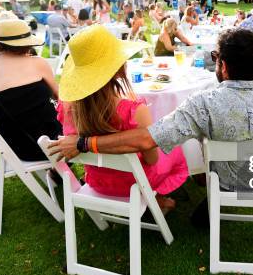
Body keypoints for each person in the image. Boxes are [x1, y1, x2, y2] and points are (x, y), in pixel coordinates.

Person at [48, 28, 253, 196]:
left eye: (215, 57)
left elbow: (147, 139)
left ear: (225, 66)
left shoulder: (203, 103)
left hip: (228, 188)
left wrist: (83, 143)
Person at [54, 25, 187, 210]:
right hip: (135, 184)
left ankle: (154, 199)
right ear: (117, 69)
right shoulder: (134, 110)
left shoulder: (67, 108)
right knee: (173, 147)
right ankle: (154, 198)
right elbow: (152, 160)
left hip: (98, 182)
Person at [0, 19, 62, 161]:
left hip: (16, 149)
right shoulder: (37, 63)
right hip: (52, 144)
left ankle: (57, 173)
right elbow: (59, 96)